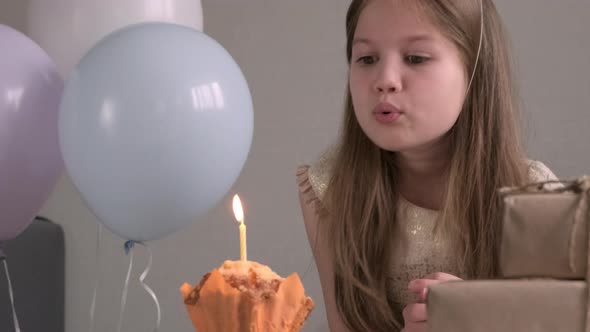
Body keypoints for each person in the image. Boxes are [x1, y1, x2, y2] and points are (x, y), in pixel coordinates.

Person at [296, 0, 557, 331]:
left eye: (416, 58)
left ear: (475, 68)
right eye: (366, 58)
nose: (385, 80)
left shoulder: (536, 197)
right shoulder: (327, 188)